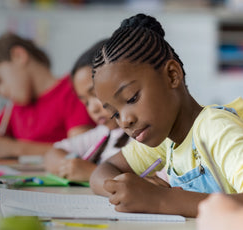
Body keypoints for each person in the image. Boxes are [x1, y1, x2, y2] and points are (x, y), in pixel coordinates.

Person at [90, 13, 243, 217]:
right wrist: (127, 190)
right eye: (115, 114)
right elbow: (102, 171)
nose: (125, 121)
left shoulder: (215, 128)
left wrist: (160, 199)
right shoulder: (168, 140)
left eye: (132, 98)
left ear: (172, 75)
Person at [0, 33, 95, 159]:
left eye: (0, 81)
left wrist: (15, 149)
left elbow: (81, 150)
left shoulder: (72, 91)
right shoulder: (17, 106)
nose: (3, 93)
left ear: (18, 56)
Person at [44, 39, 130, 182]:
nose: (93, 108)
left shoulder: (140, 138)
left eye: (95, 95)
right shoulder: (104, 133)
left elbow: (141, 183)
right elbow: (51, 154)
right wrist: (71, 165)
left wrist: (92, 173)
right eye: (85, 102)